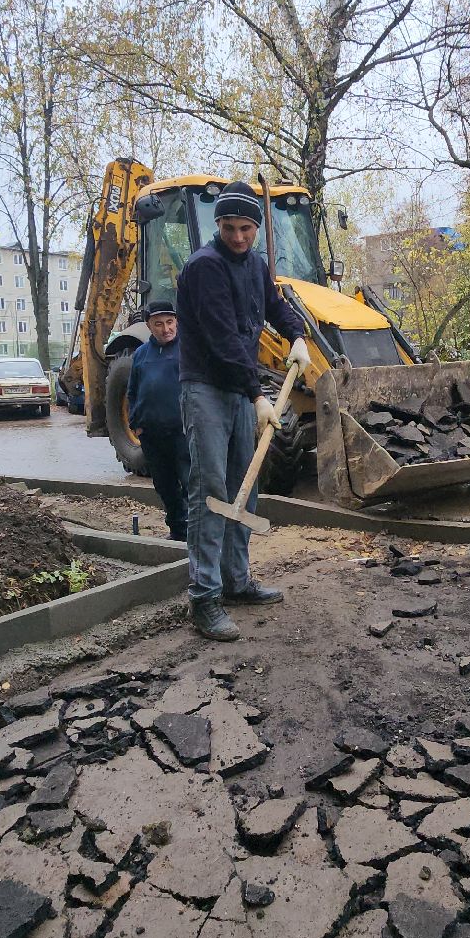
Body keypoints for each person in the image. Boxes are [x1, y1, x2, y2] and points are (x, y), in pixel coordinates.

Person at [175, 181, 312, 641]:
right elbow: (222, 339)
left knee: (244, 487)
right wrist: (258, 394)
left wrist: (296, 336)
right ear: (219, 225)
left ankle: (236, 580)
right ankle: (204, 597)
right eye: (231, 228)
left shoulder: (254, 264)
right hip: (208, 389)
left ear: (257, 228)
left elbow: (274, 305)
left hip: (238, 389)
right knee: (211, 490)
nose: (239, 237)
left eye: (247, 228)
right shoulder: (204, 268)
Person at [127, 301, 189, 542]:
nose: (166, 329)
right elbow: (132, 392)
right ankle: (176, 532)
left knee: (190, 484)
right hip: (152, 435)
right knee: (165, 487)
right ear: (149, 326)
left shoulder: (188, 350)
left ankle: (196, 534)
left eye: (170, 322)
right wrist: (136, 424)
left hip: (182, 432)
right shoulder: (141, 354)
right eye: (159, 324)